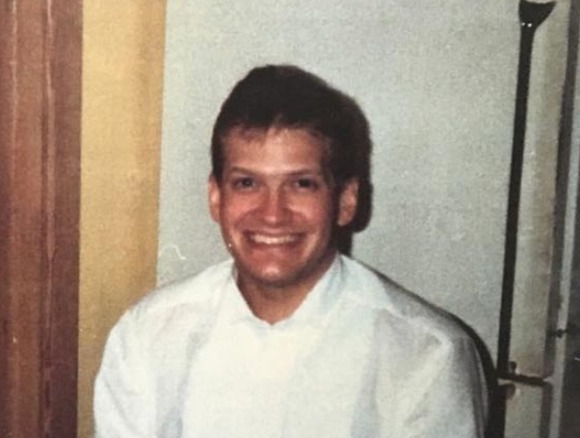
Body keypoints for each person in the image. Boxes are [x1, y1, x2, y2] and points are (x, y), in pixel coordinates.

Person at [94, 65, 488, 437]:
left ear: (346, 200)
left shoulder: (426, 356)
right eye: (247, 183)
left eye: (301, 184)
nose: (272, 214)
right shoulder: (147, 336)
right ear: (216, 198)